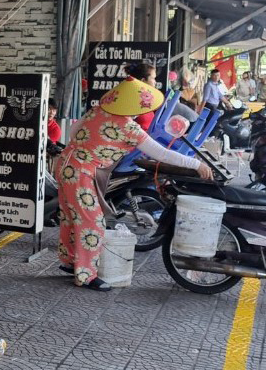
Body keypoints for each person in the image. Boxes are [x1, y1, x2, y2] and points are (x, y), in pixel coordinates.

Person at [55, 78, 213, 291]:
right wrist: (196, 163)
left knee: (70, 216)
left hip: (65, 164)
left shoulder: (97, 110)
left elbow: (74, 132)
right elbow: (161, 154)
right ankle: (86, 275)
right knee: (92, 223)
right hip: (82, 172)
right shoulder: (129, 128)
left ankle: (70, 261)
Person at [127, 61, 157, 131]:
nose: (155, 82)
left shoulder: (145, 100)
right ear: (143, 80)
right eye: (153, 78)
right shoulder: (132, 101)